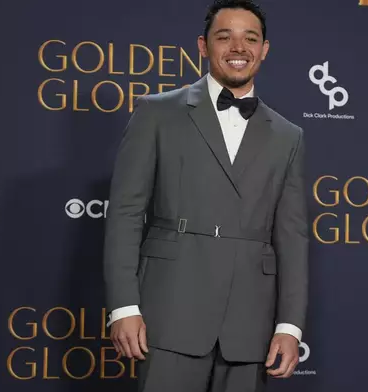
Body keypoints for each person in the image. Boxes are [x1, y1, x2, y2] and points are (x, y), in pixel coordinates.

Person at [102, 0, 308, 390]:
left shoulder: (288, 136)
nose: (238, 48)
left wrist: (290, 325)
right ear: (202, 45)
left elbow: (292, 238)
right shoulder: (156, 113)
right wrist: (124, 307)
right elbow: (125, 215)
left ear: (264, 50)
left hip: (251, 324)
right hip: (169, 312)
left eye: (250, 38)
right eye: (224, 36)